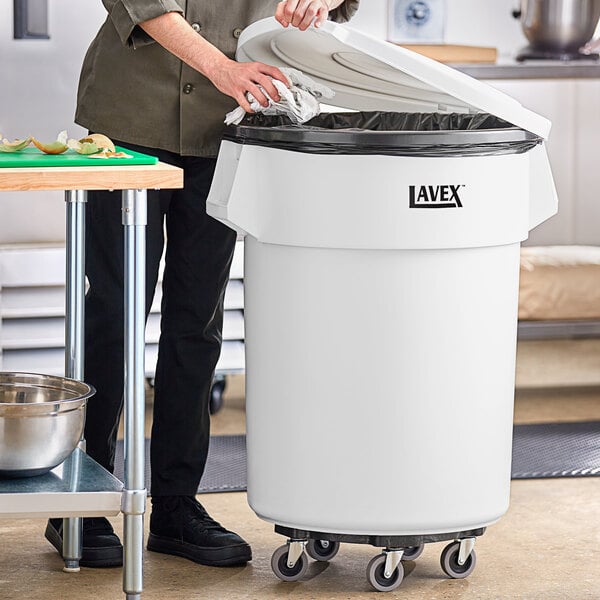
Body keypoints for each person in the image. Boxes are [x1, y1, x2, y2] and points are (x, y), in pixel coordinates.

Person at [45, 0, 359, 569]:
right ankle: (80, 498)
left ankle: (175, 506)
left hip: (228, 125)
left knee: (197, 319)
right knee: (115, 310)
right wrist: (222, 68)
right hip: (132, 117)